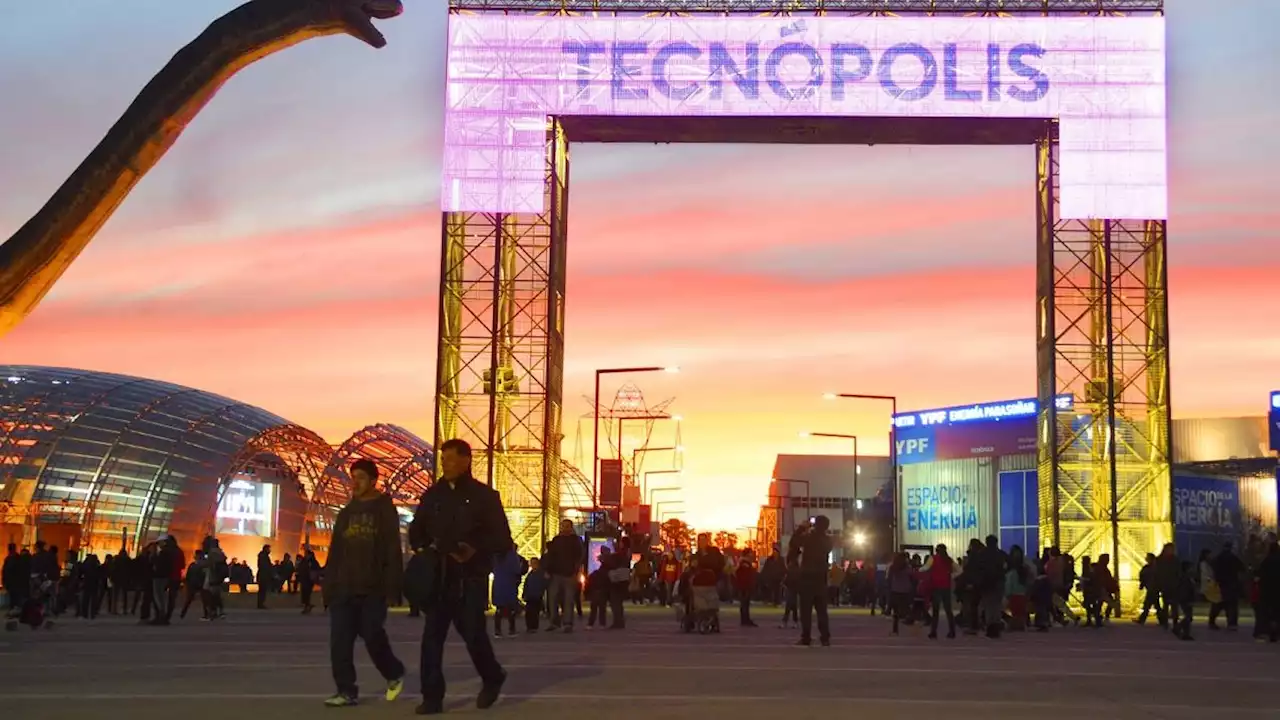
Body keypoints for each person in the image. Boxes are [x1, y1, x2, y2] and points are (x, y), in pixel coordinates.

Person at [409, 438, 510, 716]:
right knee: (431, 639)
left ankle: (492, 677)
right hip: (439, 579)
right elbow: (416, 532)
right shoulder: (433, 496)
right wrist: (427, 550)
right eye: (443, 460)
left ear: (467, 460)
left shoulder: (485, 497)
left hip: (470, 579)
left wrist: (473, 549)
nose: (446, 465)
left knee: (474, 635)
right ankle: (432, 698)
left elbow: (502, 539)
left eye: (451, 459)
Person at [322, 458, 408, 708]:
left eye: (360, 477)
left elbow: (392, 549)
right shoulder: (347, 513)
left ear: (373, 481)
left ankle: (394, 672)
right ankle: (346, 690)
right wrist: (329, 587)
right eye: (353, 477)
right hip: (343, 588)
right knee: (340, 641)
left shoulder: (384, 510)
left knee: (372, 634)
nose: (355, 483)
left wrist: (393, 587)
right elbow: (335, 552)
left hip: (373, 588)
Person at [795, 516, 833, 646]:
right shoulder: (828, 540)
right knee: (822, 610)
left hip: (807, 577)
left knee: (806, 610)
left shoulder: (808, 538)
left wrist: (801, 528)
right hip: (821, 577)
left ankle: (806, 637)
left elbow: (794, 543)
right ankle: (825, 637)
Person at [543, 519, 584, 633]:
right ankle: (554, 621)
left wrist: (576, 569)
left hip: (569, 574)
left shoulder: (576, 540)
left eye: (567, 526)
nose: (564, 528)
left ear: (571, 528)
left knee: (568, 599)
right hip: (556, 573)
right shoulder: (557, 540)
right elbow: (550, 556)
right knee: (552, 598)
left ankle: (567, 623)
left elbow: (580, 555)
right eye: (563, 526)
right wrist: (547, 570)